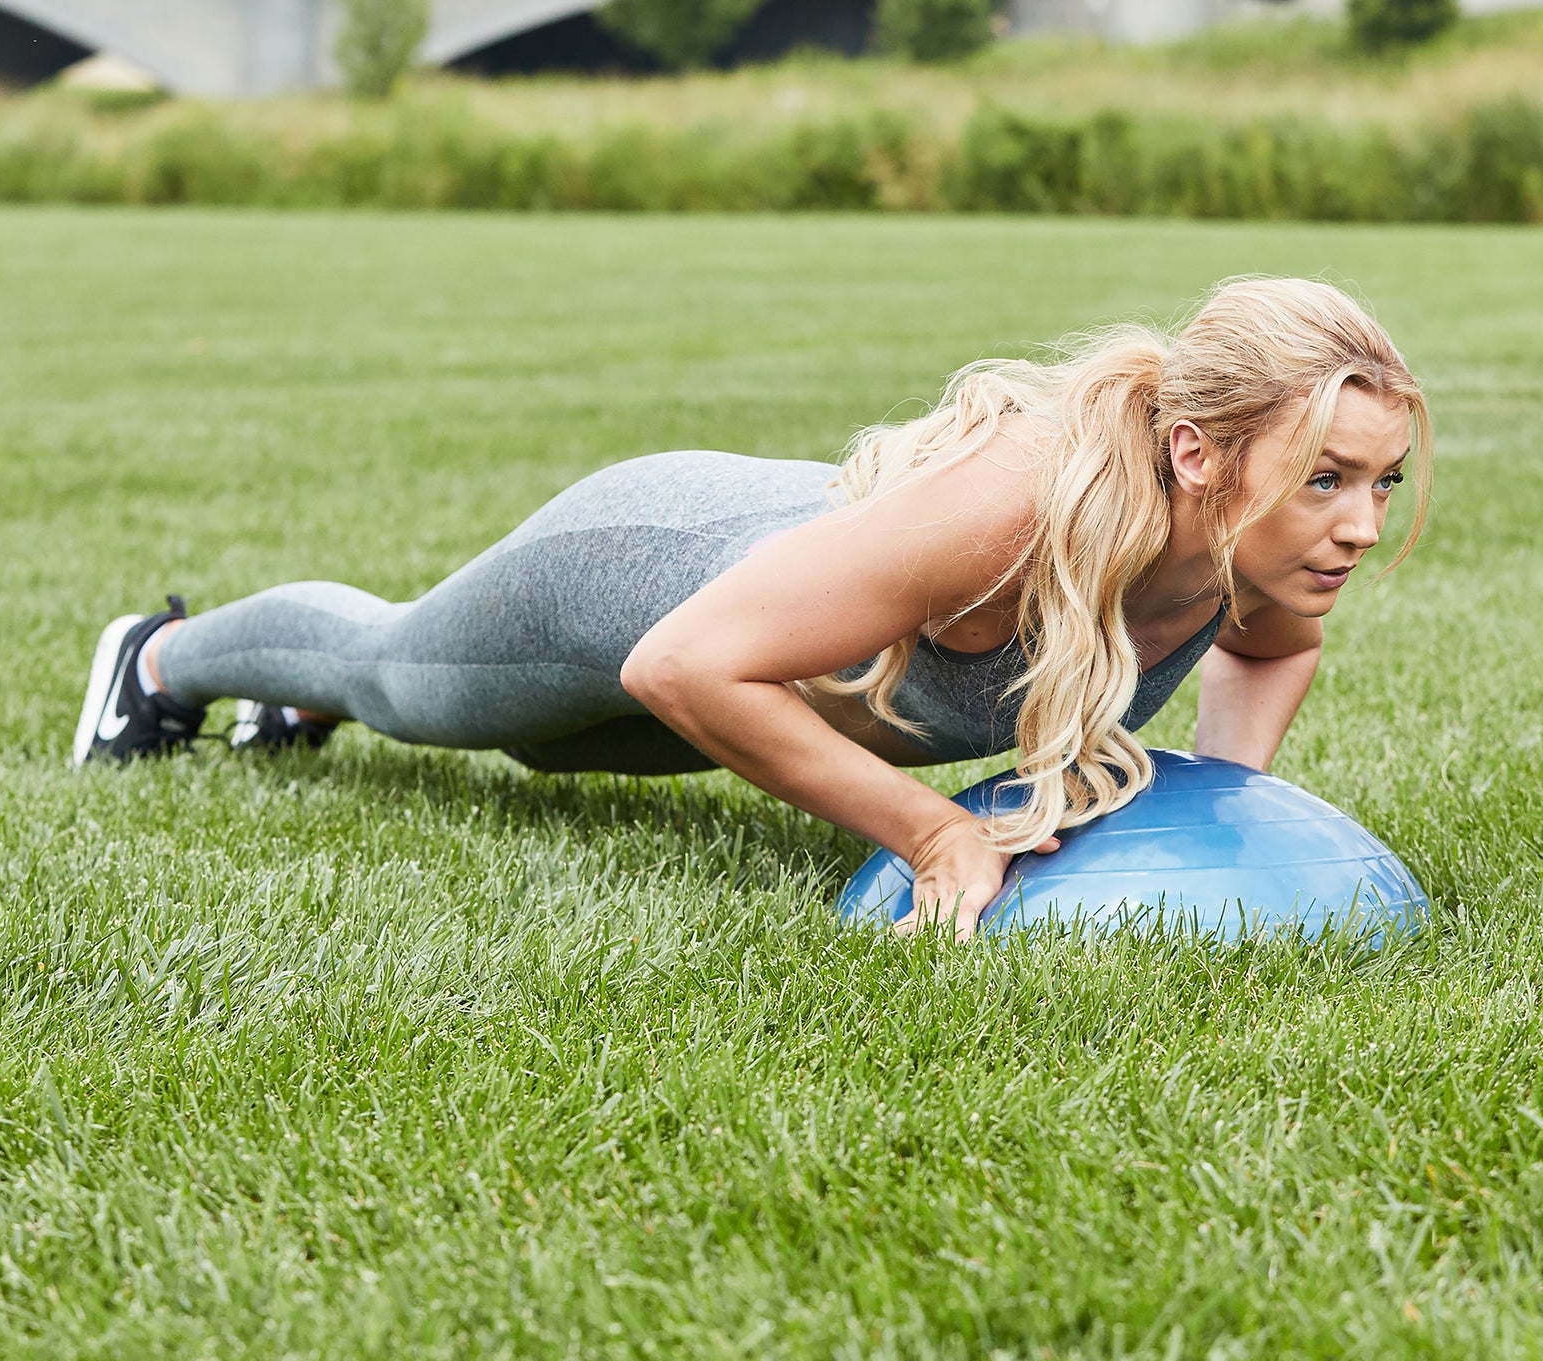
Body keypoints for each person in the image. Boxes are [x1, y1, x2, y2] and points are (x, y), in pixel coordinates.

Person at [72, 277, 1431, 940]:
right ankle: (165, 659)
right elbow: (687, 661)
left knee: (547, 756)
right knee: (410, 689)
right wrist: (936, 832)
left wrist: (1210, 813)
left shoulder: (1249, 556)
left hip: (765, 653)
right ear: (1202, 455)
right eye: (1325, 479)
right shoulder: (1020, 508)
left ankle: (286, 685)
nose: (1360, 526)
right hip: (652, 568)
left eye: (1380, 482)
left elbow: (1272, 652)